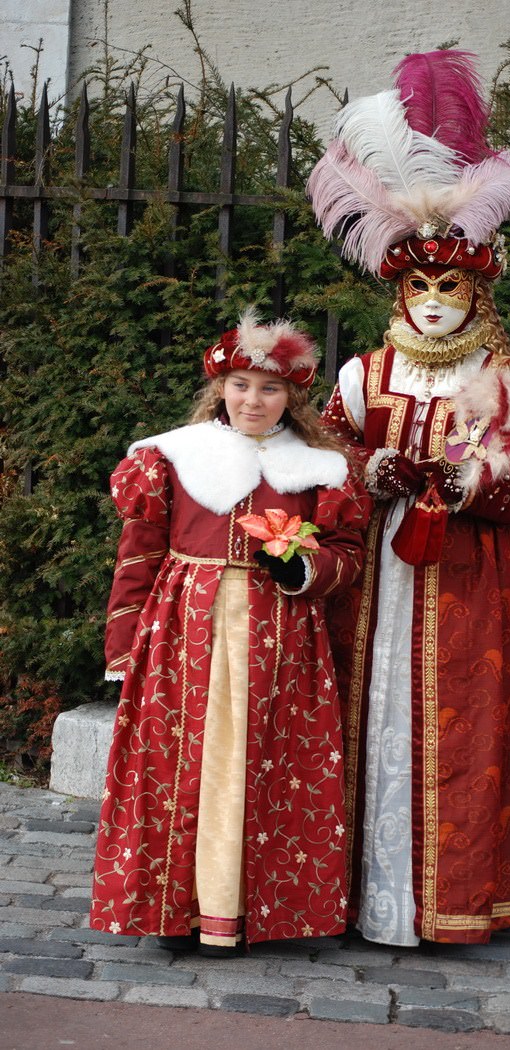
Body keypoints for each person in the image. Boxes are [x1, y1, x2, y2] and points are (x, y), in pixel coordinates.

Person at [308, 50, 510, 946]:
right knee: (365, 721)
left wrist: (476, 480)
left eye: (447, 285)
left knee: (461, 730)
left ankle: (449, 902)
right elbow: (321, 461)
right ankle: (358, 898)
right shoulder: (360, 374)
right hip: (376, 580)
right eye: (415, 285)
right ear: (394, 286)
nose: (429, 301)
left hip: (469, 583)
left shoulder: (509, 382)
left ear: (477, 288)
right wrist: (366, 471)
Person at [89, 309, 371, 957]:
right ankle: (176, 908)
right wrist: (123, 648)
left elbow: (348, 555)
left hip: (283, 640)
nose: (254, 399)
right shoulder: (175, 456)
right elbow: (139, 555)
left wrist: (303, 567)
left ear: (292, 396)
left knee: (268, 766)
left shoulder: (321, 470)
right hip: (182, 636)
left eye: (270, 389)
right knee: (182, 763)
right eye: (241, 385)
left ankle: (250, 910)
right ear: (220, 387)